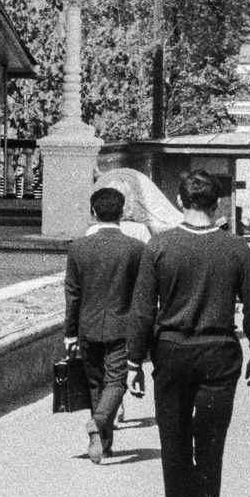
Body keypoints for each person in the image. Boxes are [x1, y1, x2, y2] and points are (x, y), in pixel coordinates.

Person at [127, 170, 250, 497]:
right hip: (219, 355)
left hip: (171, 353)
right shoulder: (236, 248)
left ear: (178, 199)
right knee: (210, 445)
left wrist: (135, 361)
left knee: (173, 443)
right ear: (219, 202)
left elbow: (142, 311)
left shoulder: (161, 247)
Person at [63, 186, 147, 464]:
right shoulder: (136, 249)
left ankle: (104, 444)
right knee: (117, 381)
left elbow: (73, 294)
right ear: (122, 213)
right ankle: (100, 423)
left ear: (92, 213)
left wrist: (70, 333)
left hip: (88, 326)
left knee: (95, 383)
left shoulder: (78, 248)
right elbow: (142, 295)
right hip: (123, 328)